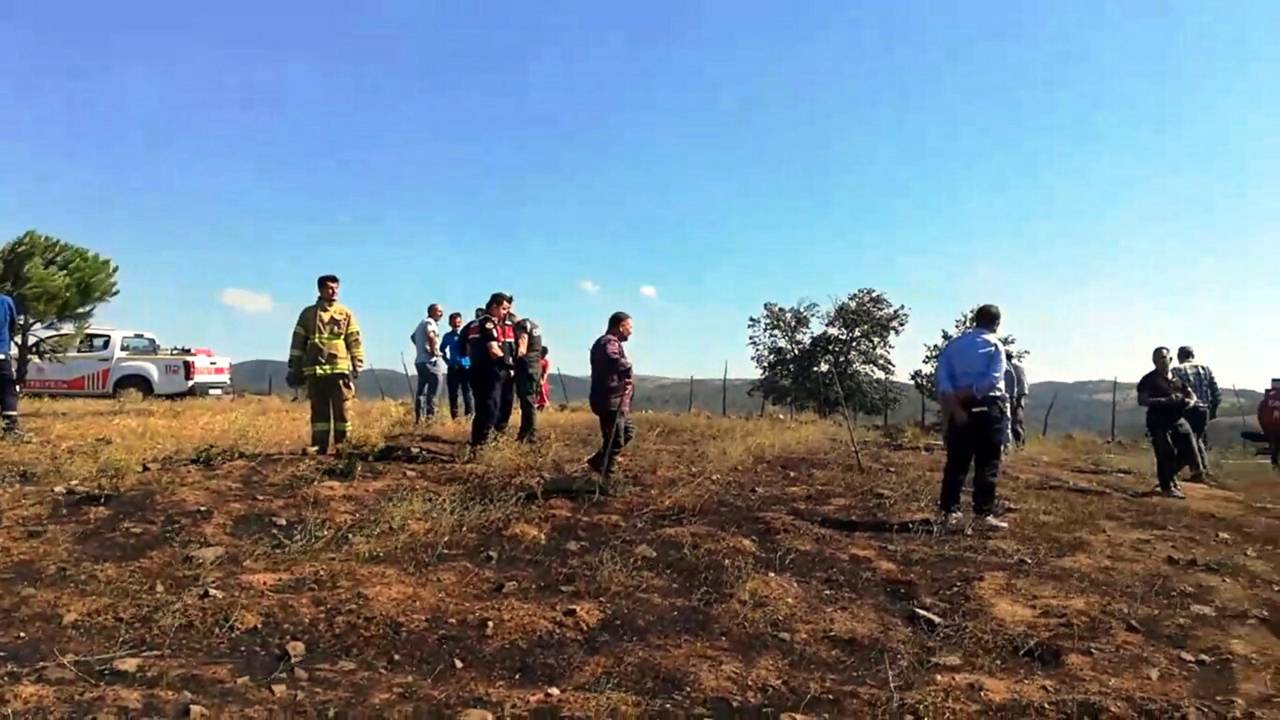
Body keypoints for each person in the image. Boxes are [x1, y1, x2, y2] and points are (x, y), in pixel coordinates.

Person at [936, 304, 1009, 530]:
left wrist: (956, 406)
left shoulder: (953, 345)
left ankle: (950, 514)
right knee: (987, 462)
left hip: (959, 407)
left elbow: (942, 379)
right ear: (996, 323)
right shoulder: (996, 345)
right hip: (989, 408)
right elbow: (993, 380)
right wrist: (971, 391)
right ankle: (983, 515)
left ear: (974, 320)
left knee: (957, 462)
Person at [287, 275, 364, 454]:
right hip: (314, 369)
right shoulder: (308, 314)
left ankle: (342, 446)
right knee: (319, 410)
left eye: (336, 288)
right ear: (320, 290)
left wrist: (357, 362)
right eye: (329, 288)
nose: (334, 291)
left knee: (342, 408)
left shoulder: (345, 313)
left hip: (339, 368)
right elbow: (298, 342)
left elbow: (354, 339)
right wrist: (294, 367)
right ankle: (319, 446)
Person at [1137, 346, 1205, 498]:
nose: (1161, 361)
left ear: (1170, 359)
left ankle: (1171, 477)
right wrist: (1164, 401)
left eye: (1163, 358)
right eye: (1157, 359)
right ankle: (1167, 486)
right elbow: (1142, 400)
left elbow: (1191, 394)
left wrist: (1190, 402)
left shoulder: (1176, 379)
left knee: (1189, 448)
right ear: (1153, 361)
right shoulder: (1149, 379)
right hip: (1158, 420)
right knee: (1165, 452)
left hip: (1177, 418)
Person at [586, 312, 635, 477]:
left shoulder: (610, 342)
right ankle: (608, 477)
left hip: (616, 400)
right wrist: (627, 366)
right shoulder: (608, 342)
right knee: (615, 440)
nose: (631, 331)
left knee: (627, 432)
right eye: (629, 327)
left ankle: (599, 461)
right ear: (621, 326)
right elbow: (612, 359)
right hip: (609, 400)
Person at [468, 292, 513, 448]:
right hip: (487, 372)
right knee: (489, 409)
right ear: (494, 306)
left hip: (488, 371)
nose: (506, 312)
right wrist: (509, 365)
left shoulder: (482, 323)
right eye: (504, 308)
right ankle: (480, 446)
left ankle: (490, 442)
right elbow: (493, 349)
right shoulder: (487, 323)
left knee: (498, 407)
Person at [1172, 346, 1220, 471]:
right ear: (1192, 355)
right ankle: (1203, 469)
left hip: (1186, 409)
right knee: (1197, 439)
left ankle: (1194, 470)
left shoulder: (1176, 370)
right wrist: (1213, 411)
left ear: (1179, 357)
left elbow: (1173, 392)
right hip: (1204, 410)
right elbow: (1215, 392)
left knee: (1188, 441)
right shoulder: (1205, 369)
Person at [409, 304, 446, 422]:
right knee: (434, 390)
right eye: (439, 311)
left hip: (420, 360)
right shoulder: (430, 323)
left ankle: (419, 419)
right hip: (430, 361)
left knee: (421, 391)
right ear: (431, 312)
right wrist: (434, 350)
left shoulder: (422, 323)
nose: (441, 314)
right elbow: (431, 335)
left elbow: (413, 337)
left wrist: (421, 347)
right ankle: (431, 420)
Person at [512, 313, 544, 442]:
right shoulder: (532, 324)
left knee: (527, 403)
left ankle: (531, 435)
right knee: (528, 401)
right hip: (535, 366)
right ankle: (524, 433)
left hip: (526, 367)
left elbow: (522, 349)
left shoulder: (521, 326)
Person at [440, 312, 473, 420]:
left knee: (467, 392)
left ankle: (469, 416)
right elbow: (442, 349)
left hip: (465, 366)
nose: (456, 324)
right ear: (450, 323)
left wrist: (469, 363)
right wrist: (447, 360)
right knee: (453, 394)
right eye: (454, 322)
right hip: (453, 366)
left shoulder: (466, 334)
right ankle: (455, 418)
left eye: (458, 322)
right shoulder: (447, 336)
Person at [493, 306, 518, 436]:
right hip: (495, 369)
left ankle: (501, 430)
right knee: (494, 401)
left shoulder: (513, 325)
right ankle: (491, 431)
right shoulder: (491, 325)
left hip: (511, 369)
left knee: (508, 400)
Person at [0, 292, 20, 437]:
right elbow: (13, 326)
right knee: (8, 390)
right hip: (0, 353)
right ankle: (10, 428)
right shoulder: (5, 301)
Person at [1004, 350, 1029, 449]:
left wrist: (1018, 401)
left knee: (1016, 422)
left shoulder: (1018, 369)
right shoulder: (1002, 367)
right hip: (1005, 398)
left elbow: (1023, 387)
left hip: (1016, 398)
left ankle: (1020, 445)